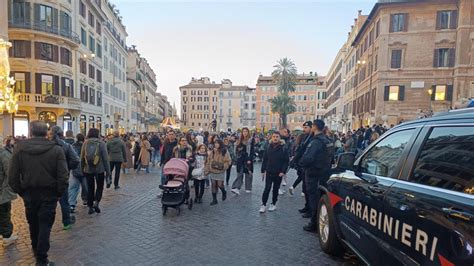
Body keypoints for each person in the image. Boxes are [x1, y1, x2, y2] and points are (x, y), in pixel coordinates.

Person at [9, 121, 69, 265]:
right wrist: (59, 193)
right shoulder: (56, 150)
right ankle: (42, 259)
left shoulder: (19, 149)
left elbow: (13, 176)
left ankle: (38, 254)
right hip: (49, 193)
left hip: (30, 192)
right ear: (46, 133)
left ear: (31, 132)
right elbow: (63, 175)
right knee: (45, 224)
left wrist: (21, 191)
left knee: (33, 224)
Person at [299, 119, 334, 233]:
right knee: (319, 198)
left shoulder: (316, 142)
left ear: (314, 127)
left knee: (314, 199)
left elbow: (308, 158)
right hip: (324, 173)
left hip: (314, 173)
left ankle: (314, 223)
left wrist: (301, 163)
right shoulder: (327, 140)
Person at [48, 126, 80, 231]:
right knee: (64, 202)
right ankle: (66, 223)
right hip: (62, 177)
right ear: (62, 135)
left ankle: (47, 225)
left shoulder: (45, 145)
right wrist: (67, 167)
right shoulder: (66, 146)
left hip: (47, 177)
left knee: (49, 202)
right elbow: (76, 160)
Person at [80, 128, 110, 215]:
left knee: (90, 187)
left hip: (88, 169)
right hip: (99, 169)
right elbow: (105, 158)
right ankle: (96, 202)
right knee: (100, 186)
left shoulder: (85, 143)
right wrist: (108, 172)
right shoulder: (101, 143)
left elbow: (81, 158)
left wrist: (81, 169)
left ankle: (90, 206)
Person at [259, 132, 289, 213]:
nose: (275, 138)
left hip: (278, 172)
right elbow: (265, 159)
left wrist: (283, 171)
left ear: (279, 138)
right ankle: (263, 204)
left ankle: (273, 204)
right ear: (271, 138)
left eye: (277, 137)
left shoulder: (283, 147)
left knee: (275, 189)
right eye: (274, 136)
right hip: (269, 171)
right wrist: (262, 170)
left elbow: (286, 161)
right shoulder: (268, 146)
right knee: (267, 189)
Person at [289, 121, 313, 215]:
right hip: (303, 166)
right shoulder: (307, 137)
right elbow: (301, 150)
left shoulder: (313, 138)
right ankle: (307, 207)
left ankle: (311, 209)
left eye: (306, 128)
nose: (304, 130)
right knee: (305, 188)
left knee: (309, 189)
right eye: (304, 128)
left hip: (310, 167)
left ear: (311, 127)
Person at [0, 136, 18, 247]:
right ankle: (7, 236)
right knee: (4, 212)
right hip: (2, 190)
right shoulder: (3, 154)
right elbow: (10, 173)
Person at [205, 139, 231, 205]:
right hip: (213, 170)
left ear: (220, 144)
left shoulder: (224, 151)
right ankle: (214, 199)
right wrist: (208, 168)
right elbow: (208, 159)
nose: (216, 144)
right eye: (215, 143)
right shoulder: (213, 151)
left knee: (220, 185)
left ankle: (224, 192)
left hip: (220, 170)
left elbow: (228, 161)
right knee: (213, 185)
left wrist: (223, 167)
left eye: (217, 143)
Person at [231, 127, 255, 195]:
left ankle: (248, 188)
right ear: (242, 132)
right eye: (243, 131)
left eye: (246, 131)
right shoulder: (239, 140)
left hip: (248, 158)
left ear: (248, 132)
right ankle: (236, 187)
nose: (245, 133)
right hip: (240, 159)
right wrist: (236, 156)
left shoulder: (251, 140)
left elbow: (252, 150)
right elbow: (236, 149)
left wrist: (250, 159)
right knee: (239, 173)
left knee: (248, 173)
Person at [69, 133, 88, 213]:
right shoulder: (86, 146)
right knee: (85, 186)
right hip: (85, 169)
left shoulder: (72, 146)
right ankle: (85, 200)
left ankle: (71, 204)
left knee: (73, 188)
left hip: (75, 170)